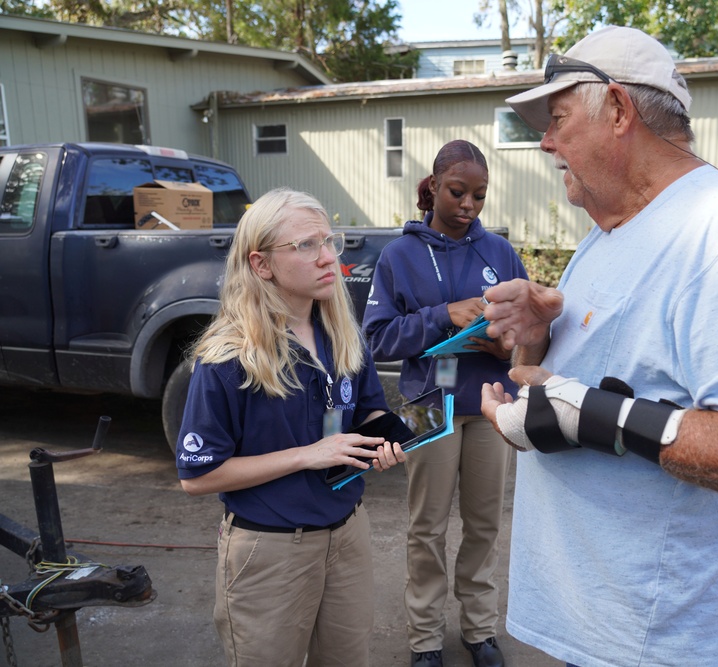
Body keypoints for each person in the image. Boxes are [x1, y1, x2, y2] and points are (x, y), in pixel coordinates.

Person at [478, 26, 718, 667]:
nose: (545, 142)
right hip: (599, 628)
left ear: (618, 110)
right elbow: (570, 399)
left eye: (557, 119)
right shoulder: (606, 234)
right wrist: (532, 347)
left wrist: (594, 414)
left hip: (666, 641)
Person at [176, 187, 406, 667]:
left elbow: (365, 411)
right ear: (261, 264)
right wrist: (310, 454)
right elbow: (197, 477)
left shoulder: (343, 334)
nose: (328, 258)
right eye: (306, 246)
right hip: (270, 549)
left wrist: (392, 437)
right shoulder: (226, 357)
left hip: (347, 534)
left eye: (328, 241)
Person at [363, 140, 528, 667]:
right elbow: (378, 339)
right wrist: (442, 316)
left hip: (487, 401)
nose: (469, 206)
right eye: (458, 192)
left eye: (480, 196)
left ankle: (480, 631)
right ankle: (425, 640)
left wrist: (507, 345)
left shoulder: (499, 252)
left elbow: (528, 335)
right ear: (433, 186)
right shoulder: (399, 256)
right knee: (427, 527)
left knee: (484, 523)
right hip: (427, 404)